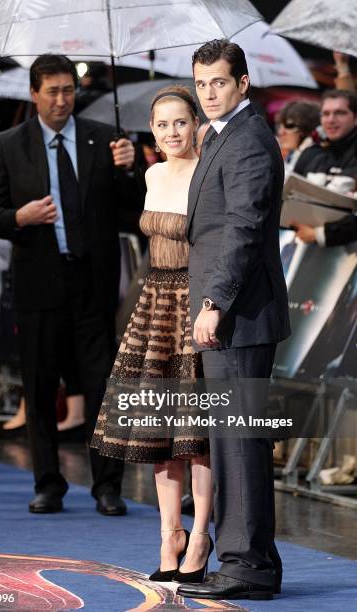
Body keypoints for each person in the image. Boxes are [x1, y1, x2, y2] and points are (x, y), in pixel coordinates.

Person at [0, 54, 142, 516]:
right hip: (38, 283)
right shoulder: (9, 144)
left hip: (92, 281)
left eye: (68, 90)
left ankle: (107, 486)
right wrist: (19, 218)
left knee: (100, 386)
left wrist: (129, 168)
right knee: (40, 383)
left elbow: (133, 207)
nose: (61, 99)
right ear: (34, 94)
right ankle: (48, 483)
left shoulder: (104, 138)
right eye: (52, 91)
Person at [176, 40, 290, 602]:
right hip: (229, 314)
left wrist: (215, 301)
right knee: (231, 441)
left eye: (219, 82)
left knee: (240, 443)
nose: (210, 93)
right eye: (201, 84)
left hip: (239, 315)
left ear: (243, 83)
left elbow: (242, 229)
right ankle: (251, 558)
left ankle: (247, 566)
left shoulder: (247, 141)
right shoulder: (221, 137)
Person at [92, 85, 214, 584]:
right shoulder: (151, 172)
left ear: (196, 125)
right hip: (154, 305)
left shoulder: (207, 173)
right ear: (153, 130)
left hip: (195, 302)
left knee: (196, 433)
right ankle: (169, 533)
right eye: (162, 125)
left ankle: (201, 535)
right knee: (155, 430)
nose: (171, 133)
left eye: (180, 123)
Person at [293, 90, 357, 178]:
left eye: (339, 113)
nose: (331, 120)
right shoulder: (311, 153)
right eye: (326, 114)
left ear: (355, 117)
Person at [275, 101, 320, 174]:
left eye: (289, 126)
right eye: (279, 126)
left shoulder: (315, 159)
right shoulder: (290, 156)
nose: (281, 132)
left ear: (306, 129)